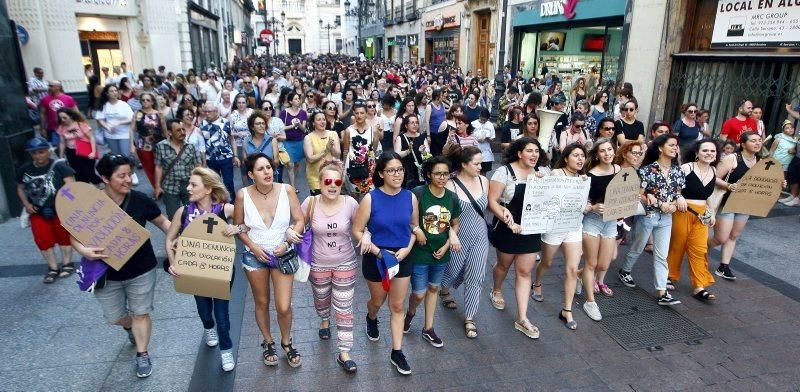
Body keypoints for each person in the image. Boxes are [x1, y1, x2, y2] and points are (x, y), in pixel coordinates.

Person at [70, 154, 170, 378]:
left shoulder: (140, 199)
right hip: (106, 274)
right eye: (121, 176)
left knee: (141, 313)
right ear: (105, 178)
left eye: (130, 174)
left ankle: (142, 354)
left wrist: (178, 239)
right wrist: (83, 250)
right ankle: (129, 327)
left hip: (142, 269)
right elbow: (73, 235)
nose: (128, 180)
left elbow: (163, 222)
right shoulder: (91, 205)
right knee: (114, 317)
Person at [351, 151, 422, 375]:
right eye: (391, 170)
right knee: (378, 301)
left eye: (399, 169)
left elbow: (414, 226)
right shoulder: (371, 198)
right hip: (377, 258)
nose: (397, 174)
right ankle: (371, 317)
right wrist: (375, 250)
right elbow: (357, 230)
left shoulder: (410, 197)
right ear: (381, 173)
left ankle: (397, 352)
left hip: (402, 256)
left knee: (397, 305)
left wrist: (408, 248)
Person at [234, 152, 305, 368]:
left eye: (269, 167)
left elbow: (300, 219)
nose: (267, 172)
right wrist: (254, 248)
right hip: (255, 256)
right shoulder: (242, 195)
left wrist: (288, 240)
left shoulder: (287, 190)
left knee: (283, 306)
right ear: (250, 174)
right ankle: (268, 342)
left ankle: (286, 341)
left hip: (282, 254)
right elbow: (239, 227)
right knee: (262, 302)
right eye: (261, 169)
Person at [164, 168, 239, 371]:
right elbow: (170, 239)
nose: (188, 188)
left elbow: (248, 224)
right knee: (205, 311)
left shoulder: (226, 209)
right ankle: (208, 327)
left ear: (207, 189)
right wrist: (173, 262)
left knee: (222, 315)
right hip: (194, 272)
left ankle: (226, 350)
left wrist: (237, 228)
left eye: (193, 185)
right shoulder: (183, 212)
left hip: (221, 270)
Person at [300, 160, 359, 372]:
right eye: (328, 181)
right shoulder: (310, 202)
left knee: (344, 308)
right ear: (320, 182)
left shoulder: (351, 203)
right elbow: (297, 225)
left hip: (346, 263)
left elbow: (361, 227)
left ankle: (345, 352)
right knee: (321, 300)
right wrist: (291, 232)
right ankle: (324, 319)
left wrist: (367, 237)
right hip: (318, 264)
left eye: (337, 181)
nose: (332, 185)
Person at [534, 144, 601, 329]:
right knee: (546, 262)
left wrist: (588, 205)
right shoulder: (556, 174)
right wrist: (540, 178)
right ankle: (537, 283)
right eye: (576, 155)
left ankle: (567, 310)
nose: (580, 159)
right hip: (554, 226)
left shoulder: (583, 178)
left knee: (572, 269)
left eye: (582, 156)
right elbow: (544, 193)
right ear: (565, 158)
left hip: (574, 226)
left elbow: (583, 205)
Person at [488, 137, 549, 339]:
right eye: (529, 151)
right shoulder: (504, 172)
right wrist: (506, 218)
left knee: (524, 272)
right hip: (508, 228)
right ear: (519, 153)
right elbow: (492, 201)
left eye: (537, 151)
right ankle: (496, 289)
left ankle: (522, 318)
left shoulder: (542, 173)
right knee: (503, 265)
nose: (534, 155)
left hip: (531, 228)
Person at [617, 134, 685, 305]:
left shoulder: (678, 170)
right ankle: (625, 270)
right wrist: (654, 200)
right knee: (638, 247)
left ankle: (662, 293)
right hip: (649, 215)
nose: (675, 148)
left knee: (661, 254)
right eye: (671, 145)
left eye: (676, 145)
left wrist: (677, 200)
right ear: (661, 148)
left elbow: (677, 192)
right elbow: (639, 193)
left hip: (667, 217)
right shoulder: (647, 170)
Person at [404, 156, 461, 348]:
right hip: (420, 252)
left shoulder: (452, 197)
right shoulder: (418, 193)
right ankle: (410, 314)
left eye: (446, 174)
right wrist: (416, 231)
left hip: (441, 252)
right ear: (428, 174)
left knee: (434, 289)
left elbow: (454, 223)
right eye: (438, 173)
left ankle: (428, 328)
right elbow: (408, 220)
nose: (442, 177)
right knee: (419, 293)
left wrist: (446, 245)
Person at [709, 131, 780, 280]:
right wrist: (728, 185)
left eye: (759, 140)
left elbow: (766, 182)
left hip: (745, 203)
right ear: (742, 144)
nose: (757, 143)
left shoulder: (761, 161)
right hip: (726, 202)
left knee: (734, 235)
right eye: (753, 140)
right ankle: (698, 250)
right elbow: (714, 177)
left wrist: (780, 183)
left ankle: (724, 266)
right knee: (721, 238)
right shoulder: (732, 158)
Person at [439, 147, 489, 338]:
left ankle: (470, 317)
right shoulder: (450, 185)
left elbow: (490, 205)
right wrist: (451, 234)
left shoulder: (484, 181)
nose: (480, 167)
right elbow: (443, 216)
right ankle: (444, 290)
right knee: (452, 269)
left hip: (479, 235)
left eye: (481, 163)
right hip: (457, 236)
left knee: (476, 275)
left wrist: (504, 212)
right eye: (476, 164)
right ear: (463, 164)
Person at [17, 137, 75, 283]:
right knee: (42, 239)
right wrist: (26, 204)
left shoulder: (60, 166)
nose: (38, 156)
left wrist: (64, 205)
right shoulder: (24, 169)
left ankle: (67, 263)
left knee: (64, 236)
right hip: (37, 211)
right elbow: (20, 188)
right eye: (34, 153)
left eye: (41, 152)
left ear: (48, 151)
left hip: (59, 209)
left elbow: (71, 187)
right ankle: (53, 268)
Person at [667, 139, 719, 302]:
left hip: (702, 214)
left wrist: (712, 212)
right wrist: (679, 196)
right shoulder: (687, 168)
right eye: (705, 150)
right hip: (684, 211)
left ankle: (699, 286)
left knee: (700, 249)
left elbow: (708, 195)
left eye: (712, 151)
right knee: (678, 244)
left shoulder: (714, 171)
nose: (709, 153)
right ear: (697, 153)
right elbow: (672, 187)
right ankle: (669, 275)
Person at [580, 138, 624, 298]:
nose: (607, 153)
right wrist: (593, 207)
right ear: (597, 155)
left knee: (604, 263)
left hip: (611, 221)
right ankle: (590, 299)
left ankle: (579, 275)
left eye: (609, 149)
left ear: (614, 151)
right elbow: (582, 203)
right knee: (591, 263)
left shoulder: (619, 169)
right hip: (593, 220)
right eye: (603, 150)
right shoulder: (589, 175)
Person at [155, 120, 200, 218]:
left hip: (188, 186)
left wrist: (199, 184)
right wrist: (157, 186)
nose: (183, 132)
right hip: (170, 186)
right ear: (170, 132)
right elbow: (158, 166)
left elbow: (198, 165)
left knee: (192, 215)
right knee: (173, 216)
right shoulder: (161, 146)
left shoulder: (191, 146)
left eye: (183, 129)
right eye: (178, 130)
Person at [342, 102, 381, 200]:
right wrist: (342, 168)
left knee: (367, 197)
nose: (359, 115)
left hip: (368, 167)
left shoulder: (374, 131)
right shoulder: (348, 130)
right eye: (357, 113)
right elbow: (345, 150)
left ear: (366, 114)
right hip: (352, 167)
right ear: (354, 114)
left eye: (362, 113)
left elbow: (374, 149)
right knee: (353, 198)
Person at [97, 85, 136, 178]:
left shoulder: (123, 104)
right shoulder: (104, 105)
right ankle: (120, 173)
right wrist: (107, 127)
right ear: (107, 93)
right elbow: (100, 119)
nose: (114, 93)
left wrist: (119, 122)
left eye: (115, 90)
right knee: (116, 156)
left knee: (125, 156)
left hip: (124, 134)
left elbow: (132, 119)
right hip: (110, 135)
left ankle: (131, 173)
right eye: (111, 91)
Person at [201, 103, 237, 198]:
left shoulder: (225, 122)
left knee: (228, 182)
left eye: (209, 111)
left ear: (216, 112)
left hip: (226, 157)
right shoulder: (202, 124)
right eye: (205, 111)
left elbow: (232, 139)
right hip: (211, 159)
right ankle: (218, 204)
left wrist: (235, 156)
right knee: (214, 184)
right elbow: (201, 146)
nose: (207, 114)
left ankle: (232, 202)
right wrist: (203, 162)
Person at [55, 108, 101, 184]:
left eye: (64, 118)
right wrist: (61, 156)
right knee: (78, 174)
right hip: (71, 152)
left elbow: (91, 138)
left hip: (85, 151)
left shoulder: (80, 124)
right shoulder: (61, 127)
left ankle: (103, 186)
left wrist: (93, 152)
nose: (62, 120)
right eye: (60, 118)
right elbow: (62, 142)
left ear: (71, 116)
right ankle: (84, 191)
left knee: (90, 174)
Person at [132, 92, 168, 187]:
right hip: (143, 144)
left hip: (159, 143)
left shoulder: (159, 114)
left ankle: (164, 186)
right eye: (143, 100)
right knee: (149, 167)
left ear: (152, 102)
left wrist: (170, 142)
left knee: (162, 166)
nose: (145, 102)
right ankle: (156, 187)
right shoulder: (137, 113)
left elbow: (165, 130)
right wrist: (131, 145)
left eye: (148, 100)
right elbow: (132, 130)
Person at [304, 111, 341, 195]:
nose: (322, 122)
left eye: (324, 119)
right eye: (319, 120)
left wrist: (331, 148)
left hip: (331, 175)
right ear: (313, 123)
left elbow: (338, 154)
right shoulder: (308, 137)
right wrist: (326, 150)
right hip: (315, 177)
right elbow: (310, 159)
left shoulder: (333, 134)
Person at [279, 92, 308, 190]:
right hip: (288, 141)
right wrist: (292, 126)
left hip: (299, 140)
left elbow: (304, 129)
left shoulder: (303, 113)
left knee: (297, 163)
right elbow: (281, 128)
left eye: (298, 99)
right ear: (290, 101)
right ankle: (293, 186)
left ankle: (293, 180)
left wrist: (299, 125)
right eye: (295, 99)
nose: (298, 100)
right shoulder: (284, 113)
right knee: (290, 164)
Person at [394, 114, 429, 189]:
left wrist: (423, 152)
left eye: (416, 123)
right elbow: (396, 156)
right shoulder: (401, 137)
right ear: (406, 125)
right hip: (407, 172)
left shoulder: (422, 137)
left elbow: (428, 157)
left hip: (420, 173)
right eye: (412, 123)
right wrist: (408, 151)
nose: (415, 125)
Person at [39, 80, 77, 146]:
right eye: (49, 86)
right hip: (53, 128)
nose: (49, 88)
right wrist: (42, 128)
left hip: (68, 127)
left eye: (51, 86)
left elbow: (76, 112)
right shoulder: (44, 99)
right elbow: (43, 114)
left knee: (70, 145)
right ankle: (61, 156)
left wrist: (79, 125)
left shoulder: (68, 98)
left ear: (58, 87)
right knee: (56, 146)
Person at [773, 120, 800, 206]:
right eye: (787, 128)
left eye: (791, 127)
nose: (790, 129)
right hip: (778, 162)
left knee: (783, 179)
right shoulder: (779, 138)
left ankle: (795, 198)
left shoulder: (795, 140)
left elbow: (795, 150)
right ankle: (793, 196)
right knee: (776, 178)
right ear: (783, 130)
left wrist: (794, 151)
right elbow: (771, 151)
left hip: (787, 163)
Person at [471, 109, 496, 174]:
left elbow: (493, 138)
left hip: (486, 152)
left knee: (484, 172)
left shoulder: (490, 125)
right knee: (474, 171)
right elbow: (469, 136)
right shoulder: (473, 124)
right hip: (475, 150)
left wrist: (488, 139)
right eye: (482, 120)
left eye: (485, 120)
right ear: (479, 116)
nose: (483, 122)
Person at [424, 89, 447, 155]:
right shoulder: (429, 106)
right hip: (434, 134)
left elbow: (444, 117)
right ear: (437, 97)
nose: (443, 97)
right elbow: (427, 121)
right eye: (442, 96)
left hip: (443, 133)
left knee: (442, 151)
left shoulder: (442, 104)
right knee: (435, 152)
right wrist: (428, 135)